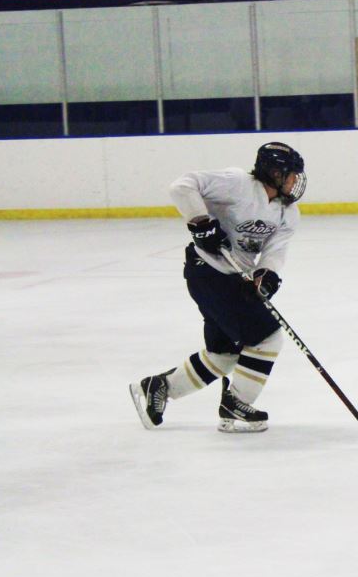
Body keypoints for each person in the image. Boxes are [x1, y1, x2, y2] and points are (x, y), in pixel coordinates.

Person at [129, 141, 306, 433]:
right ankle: (235, 404)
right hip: (208, 272)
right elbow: (182, 186)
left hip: (234, 277)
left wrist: (267, 274)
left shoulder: (288, 212)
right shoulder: (237, 183)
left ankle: (158, 387)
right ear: (273, 172)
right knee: (267, 338)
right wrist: (201, 222)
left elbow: (275, 250)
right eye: (290, 174)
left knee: (222, 355)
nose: (295, 181)